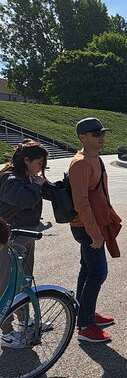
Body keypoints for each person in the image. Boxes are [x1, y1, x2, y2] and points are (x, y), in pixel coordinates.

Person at [68, 118, 116, 343]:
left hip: (94, 223)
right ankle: (85, 325)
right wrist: (94, 232)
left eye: (102, 134)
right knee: (98, 272)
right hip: (86, 226)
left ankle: (83, 312)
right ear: (82, 138)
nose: (101, 138)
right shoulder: (80, 163)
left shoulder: (94, 159)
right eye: (96, 135)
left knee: (87, 270)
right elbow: (81, 202)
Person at [0, 140, 48, 348]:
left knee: (23, 280)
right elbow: (23, 199)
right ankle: (7, 331)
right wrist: (36, 186)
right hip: (10, 238)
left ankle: (24, 320)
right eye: (39, 162)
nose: (41, 167)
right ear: (26, 160)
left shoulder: (24, 176)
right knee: (5, 283)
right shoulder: (10, 178)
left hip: (25, 234)